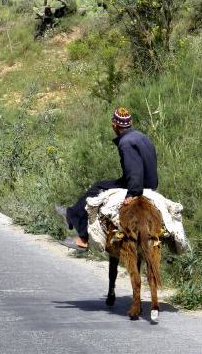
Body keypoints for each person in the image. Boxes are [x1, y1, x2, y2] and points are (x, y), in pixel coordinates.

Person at [58, 107, 159, 250]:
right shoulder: (141, 136)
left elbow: (134, 170)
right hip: (151, 183)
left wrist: (132, 193)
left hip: (138, 185)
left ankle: (82, 237)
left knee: (97, 189)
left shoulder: (126, 143)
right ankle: (72, 215)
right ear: (130, 124)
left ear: (114, 125)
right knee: (102, 184)